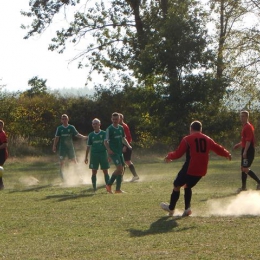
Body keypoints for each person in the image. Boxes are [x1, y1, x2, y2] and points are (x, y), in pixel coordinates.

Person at [160, 120, 231, 217]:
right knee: (187, 186)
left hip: (191, 167)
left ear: (191, 129)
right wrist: (226, 153)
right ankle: (187, 209)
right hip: (202, 170)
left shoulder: (187, 139)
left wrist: (169, 156)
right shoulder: (207, 139)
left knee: (176, 185)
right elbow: (217, 148)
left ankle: (171, 208)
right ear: (201, 129)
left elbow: (178, 153)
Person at [52, 114, 88, 180]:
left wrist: (84, 137)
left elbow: (77, 134)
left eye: (65, 119)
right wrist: (54, 146)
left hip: (70, 147)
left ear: (68, 119)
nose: (64, 120)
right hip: (62, 148)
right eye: (63, 119)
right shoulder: (59, 128)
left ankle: (79, 176)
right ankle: (62, 178)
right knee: (61, 162)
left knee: (74, 161)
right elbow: (56, 138)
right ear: (61, 120)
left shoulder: (71, 127)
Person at [104, 112, 132, 193]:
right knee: (119, 168)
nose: (115, 120)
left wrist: (128, 145)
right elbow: (105, 142)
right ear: (111, 119)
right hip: (113, 152)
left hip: (120, 152)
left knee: (122, 169)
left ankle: (118, 189)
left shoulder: (121, 128)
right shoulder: (109, 129)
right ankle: (109, 184)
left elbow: (124, 138)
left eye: (116, 119)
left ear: (119, 119)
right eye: (113, 119)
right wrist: (109, 150)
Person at [233, 110, 260, 192]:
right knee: (243, 168)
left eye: (243, 116)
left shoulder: (248, 127)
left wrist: (245, 151)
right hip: (246, 149)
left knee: (245, 169)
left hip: (248, 150)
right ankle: (243, 187)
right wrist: (239, 145)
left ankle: (259, 182)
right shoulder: (244, 126)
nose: (242, 118)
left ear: (247, 117)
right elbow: (245, 140)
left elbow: (249, 141)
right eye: (241, 116)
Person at [85, 118, 110, 191]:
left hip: (103, 154)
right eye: (93, 124)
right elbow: (88, 147)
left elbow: (107, 145)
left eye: (96, 123)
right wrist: (86, 157)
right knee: (94, 171)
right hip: (94, 155)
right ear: (92, 125)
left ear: (99, 124)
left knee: (105, 170)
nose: (95, 125)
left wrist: (109, 155)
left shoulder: (104, 133)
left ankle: (108, 186)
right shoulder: (91, 135)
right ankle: (94, 187)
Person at [119, 113, 139, 182]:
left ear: (122, 118)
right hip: (122, 146)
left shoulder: (124, 126)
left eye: (119, 118)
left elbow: (129, 138)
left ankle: (135, 176)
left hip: (126, 147)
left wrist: (125, 146)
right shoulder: (119, 126)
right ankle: (121, 177)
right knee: (123, 162)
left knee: (127, 161)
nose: (117, 119)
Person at [0, 120, 8, 190]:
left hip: (2, 155)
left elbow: (5, 144)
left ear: (2, 126)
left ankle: (1, 186)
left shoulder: (2, 134)